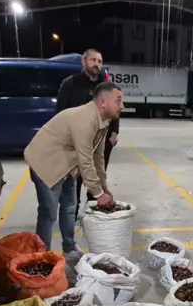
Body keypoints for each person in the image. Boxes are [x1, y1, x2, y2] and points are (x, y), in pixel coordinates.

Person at [25, 83, 123, 259]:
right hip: (45, 162)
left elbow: (98, 157)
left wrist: (103, 186)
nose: (122, 106)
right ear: (103, 102)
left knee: (70, 207)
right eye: (118, 101)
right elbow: (85, 161)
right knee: (49, 213)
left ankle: (69, 247)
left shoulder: (103, 121)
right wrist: (99, 194)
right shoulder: (84, 120)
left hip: (67, 164)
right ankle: (42, 256)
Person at [55, 49, 119, 214]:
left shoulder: (105, 86)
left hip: (101, 141)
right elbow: (60, 112)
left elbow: (114, 109)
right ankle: (73, 214)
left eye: (99, 61)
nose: (96, 64)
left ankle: (94, 214)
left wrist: (114, 133)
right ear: (84, 62)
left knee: (96, 175)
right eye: (93, 60)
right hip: (76, 142)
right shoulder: (70, 83)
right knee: (74, 183)